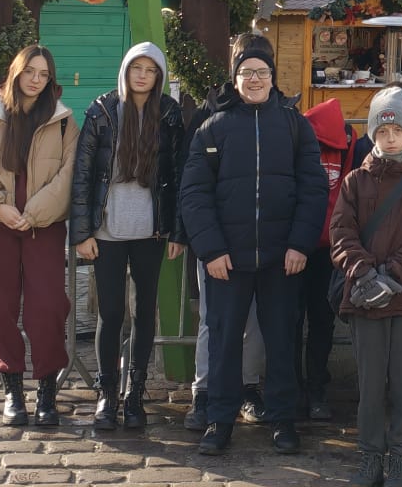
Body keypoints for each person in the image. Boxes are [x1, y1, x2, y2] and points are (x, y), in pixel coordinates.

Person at [180, 32, 328, 455]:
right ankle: (219, 419)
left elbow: (313, 188)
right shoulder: (213, 127)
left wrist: (300, 244)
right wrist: (211, 250)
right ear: (235, 78)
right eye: (246, 72)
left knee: (281, 341)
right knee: (224, 342)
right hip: (228, 258)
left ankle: (282, 419)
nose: (255, 79)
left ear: (273, 76)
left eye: (262, 71)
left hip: (283, 258)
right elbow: (194, 193)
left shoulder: (294, 125)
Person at [0, 44, 80, 427]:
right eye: (30, 72)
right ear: (16, 72)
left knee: (47, 306)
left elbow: (69, 176)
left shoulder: (63, 122)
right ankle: (11, 388)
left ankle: (46, 390)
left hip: (44, 227)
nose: (36, 80)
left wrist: (34, 213)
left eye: (44, 74)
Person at [71, 42, 187, 430]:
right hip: (107, 229)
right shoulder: (102, 111)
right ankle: (107, 393)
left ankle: (135, 392)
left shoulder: (168, 113)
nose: (142, 75)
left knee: (144, 311)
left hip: (150, 230)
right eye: (136, 67)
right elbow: (83, 174)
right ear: (125, 70)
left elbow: (178, 175)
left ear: (159, 77)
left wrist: (176, 231)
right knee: (110, 312)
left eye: (150, 70)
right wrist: (82, 232)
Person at [331, 90, 402, 487]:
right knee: (371, 382)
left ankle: (400, 456)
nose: (391, 137)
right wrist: (364, 275)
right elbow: (341, 233)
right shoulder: (354, 182)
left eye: (397, 130)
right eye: (383, 130)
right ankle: (370, 454)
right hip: (365, 297)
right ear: (373, 134)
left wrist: (392, 276)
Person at [304, 94, 370, 420]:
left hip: (311, 245)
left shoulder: (348, 146)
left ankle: (304, 390)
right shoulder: (351, 144)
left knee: (302, 322)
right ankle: (314, 390)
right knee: (319, 323)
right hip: (323, 246)